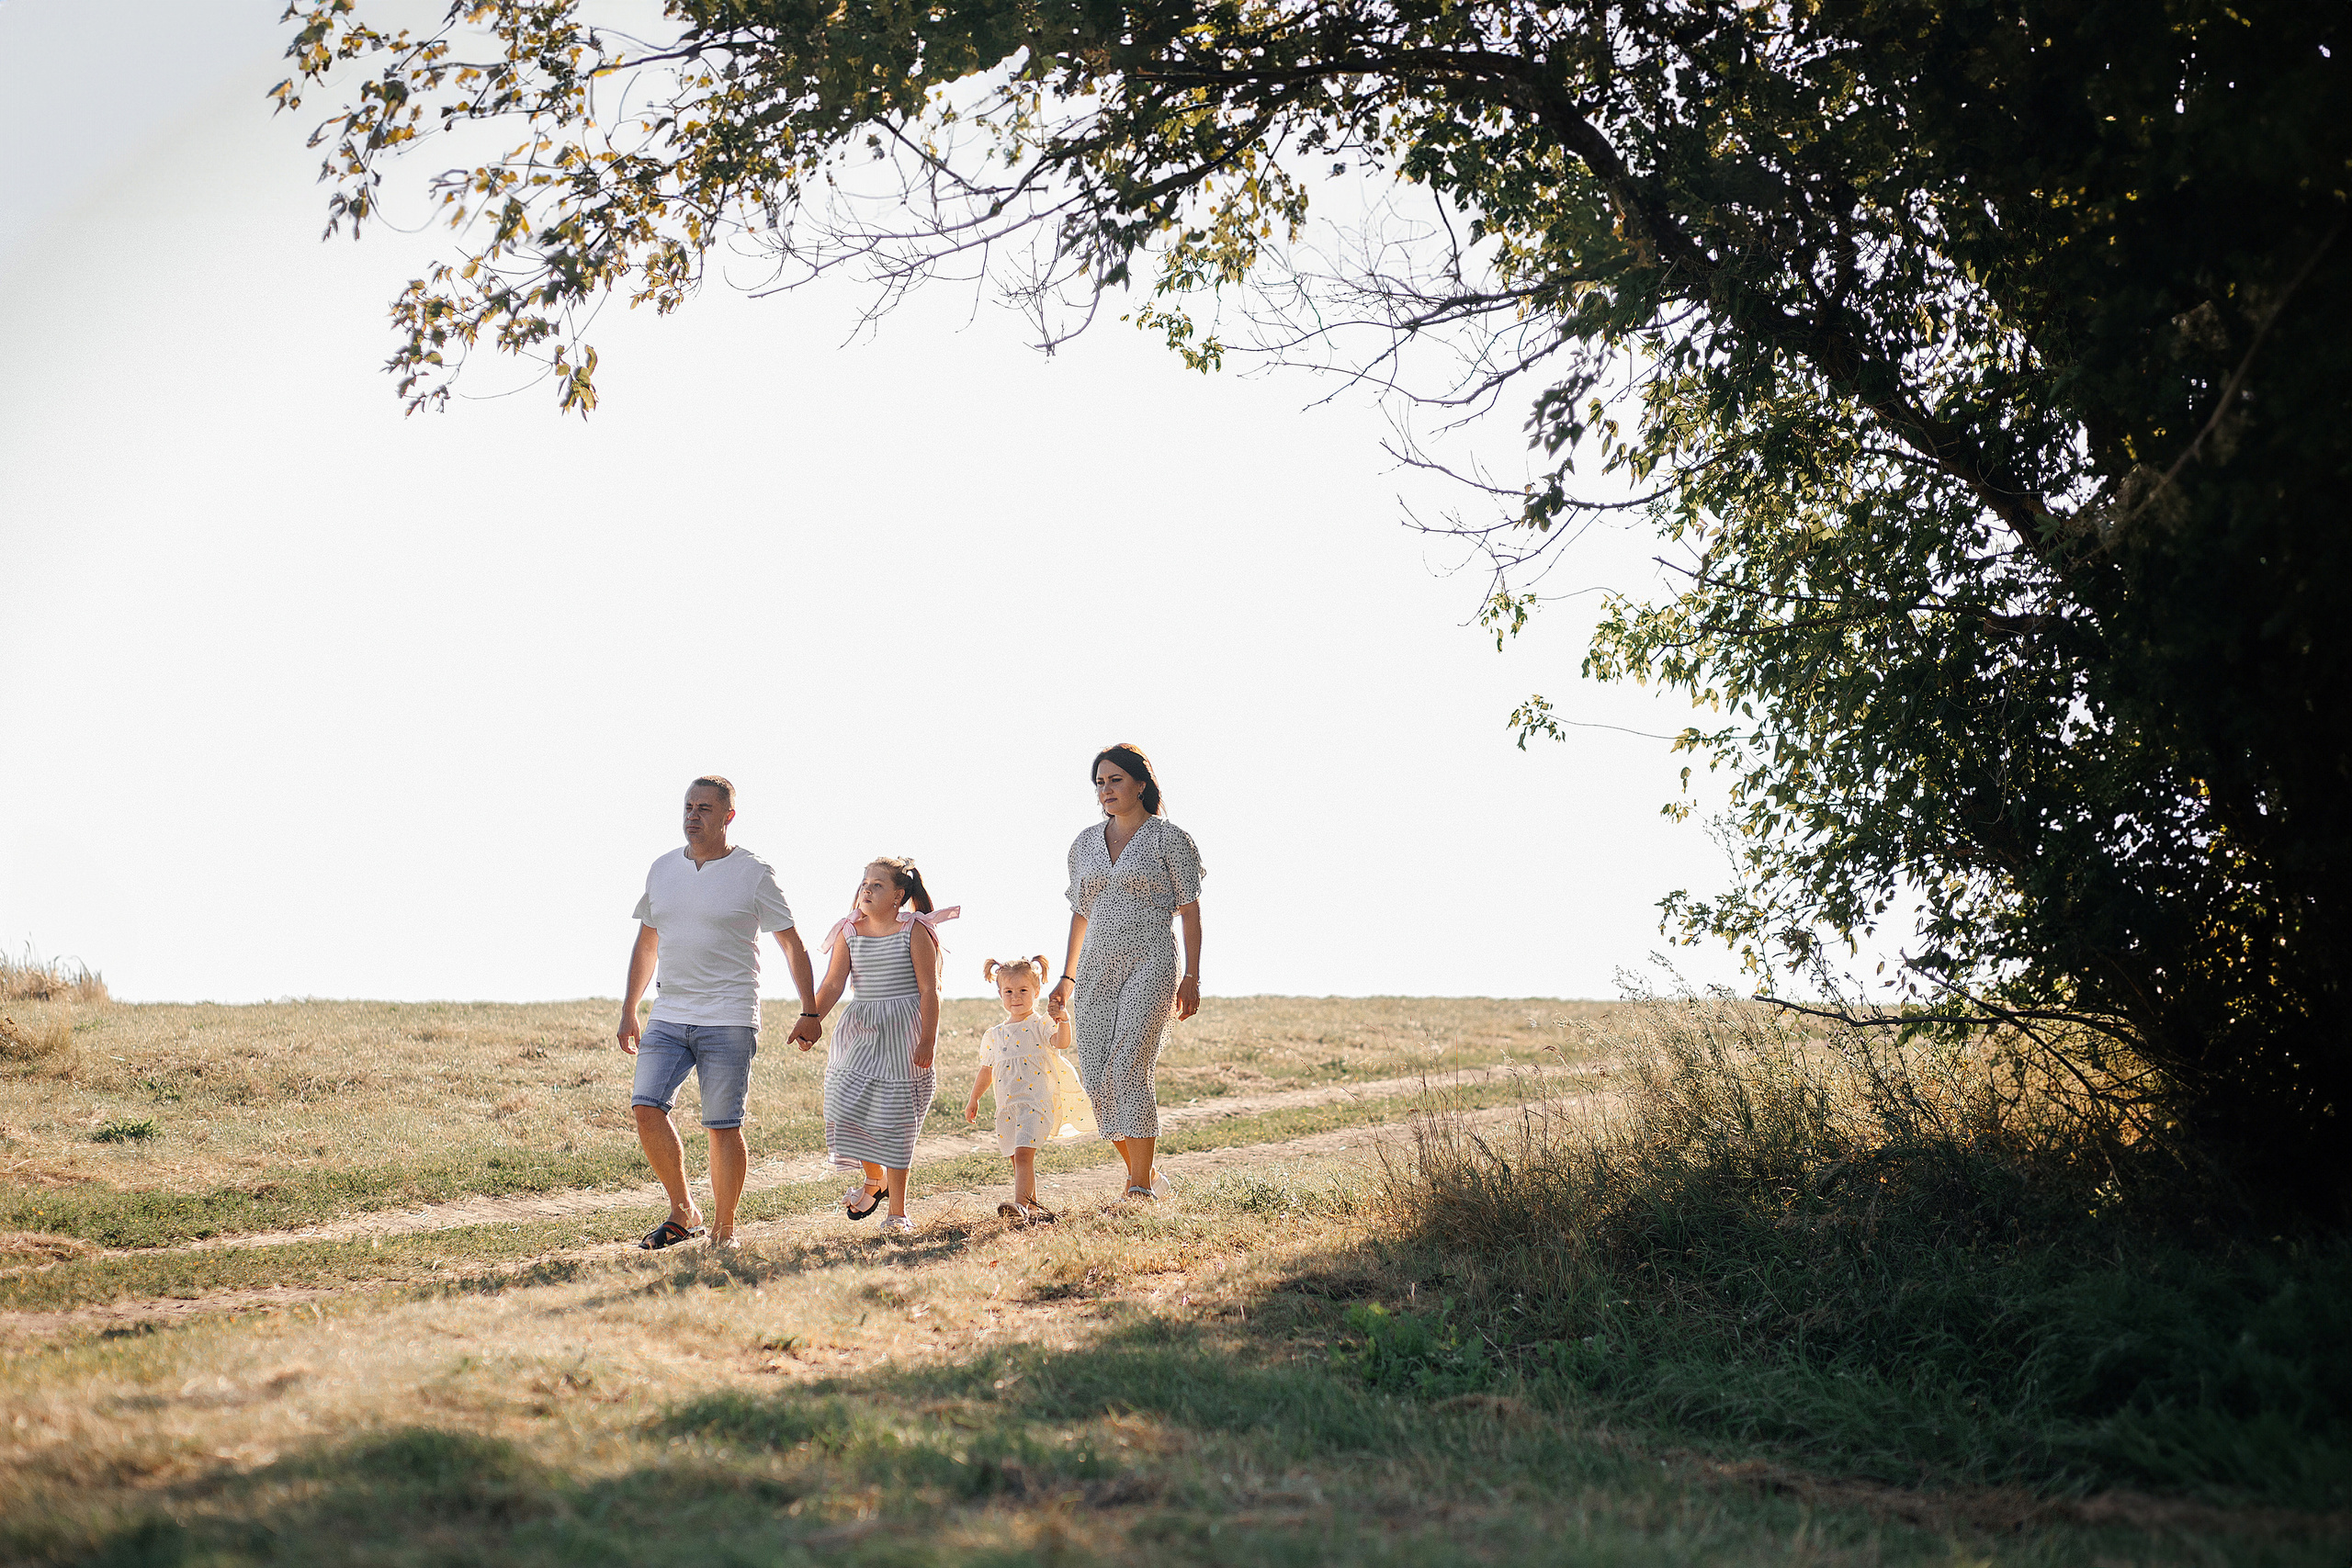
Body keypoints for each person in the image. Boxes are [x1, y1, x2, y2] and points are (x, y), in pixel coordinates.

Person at [618, 775, 820, 1250]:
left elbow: (792, 946)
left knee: (722, 1124)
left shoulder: (754, 873)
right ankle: (683, 1211)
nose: (693, 815)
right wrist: (630, 1008)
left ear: (728, 817)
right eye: (689, 806)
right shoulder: (663, 869)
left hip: (730, 1016)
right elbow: (648, 941)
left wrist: (810, 1010)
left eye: (705, 808)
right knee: (646, 1108)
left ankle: (724, 1230)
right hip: (669, 1013)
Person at [1046, 744, 1204, 1201]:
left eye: (1116, 780)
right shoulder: (1083, 844)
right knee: (1097, 1077)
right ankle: (1149, 1174)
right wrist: (1066, 976)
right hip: (1094, 968)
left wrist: (1191, 976)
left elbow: (1191, 913)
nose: (1106, 790)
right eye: (1100, 782)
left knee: (1130, 1065)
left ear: (1141, 783)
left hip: (1151, 960)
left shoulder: (1170, 839)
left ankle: (1137, 1190)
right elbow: (1081, 913)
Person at [805, 857, 956, 1235]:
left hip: (903, 1031)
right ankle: (875, 1180)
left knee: (894, 1122)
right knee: (843, 1104)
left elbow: (929, 989)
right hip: (861, 1029)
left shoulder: (914, 930)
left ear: (898, 896)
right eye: (864, 884)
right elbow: (832, 985)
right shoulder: (849, 931)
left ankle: (898, 1213)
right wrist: (811, 1018)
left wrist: (927, 1040)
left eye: (877, 885)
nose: (866, 890)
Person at [965, 954, 1097, 1225]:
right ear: (1000, 994)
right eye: (1008, 991)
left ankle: (1020, 1208)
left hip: (1036, 1103)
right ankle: (1034, 1210)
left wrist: (1064, 1020)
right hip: (1008, 1107)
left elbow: (1061, 1043)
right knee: (1017, 1160)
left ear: (1037, 992)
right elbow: (986, 1070)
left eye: (1023, 990)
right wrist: (974, 1098)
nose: (1016, 997)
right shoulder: (994, 1034)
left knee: (1024, 1154)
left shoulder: (1040, 1024)